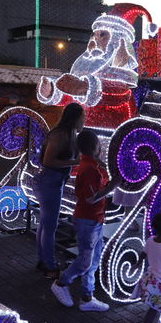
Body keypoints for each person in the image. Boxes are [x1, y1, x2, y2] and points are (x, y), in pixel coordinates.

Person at [51, 130, 120, 311]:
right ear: (94, 146)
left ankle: (87, 297)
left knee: (94, 259)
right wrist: (112, 186)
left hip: (94, 219)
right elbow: (91, 198)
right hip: (87, 220)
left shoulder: (93, 165)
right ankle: (61, 283)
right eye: (99, 144)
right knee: (85, 261)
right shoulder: (89, 169)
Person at [36, 102, 85, 279]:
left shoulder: (71, 134)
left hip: (54, 181)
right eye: (83, 117)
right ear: (75, 118)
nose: (84, 120)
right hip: (49, 181)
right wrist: (74, 163)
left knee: (45, 224)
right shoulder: (60, 135)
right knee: (50, 226)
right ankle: (49, 266)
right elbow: (47, 161)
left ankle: (43, 260)